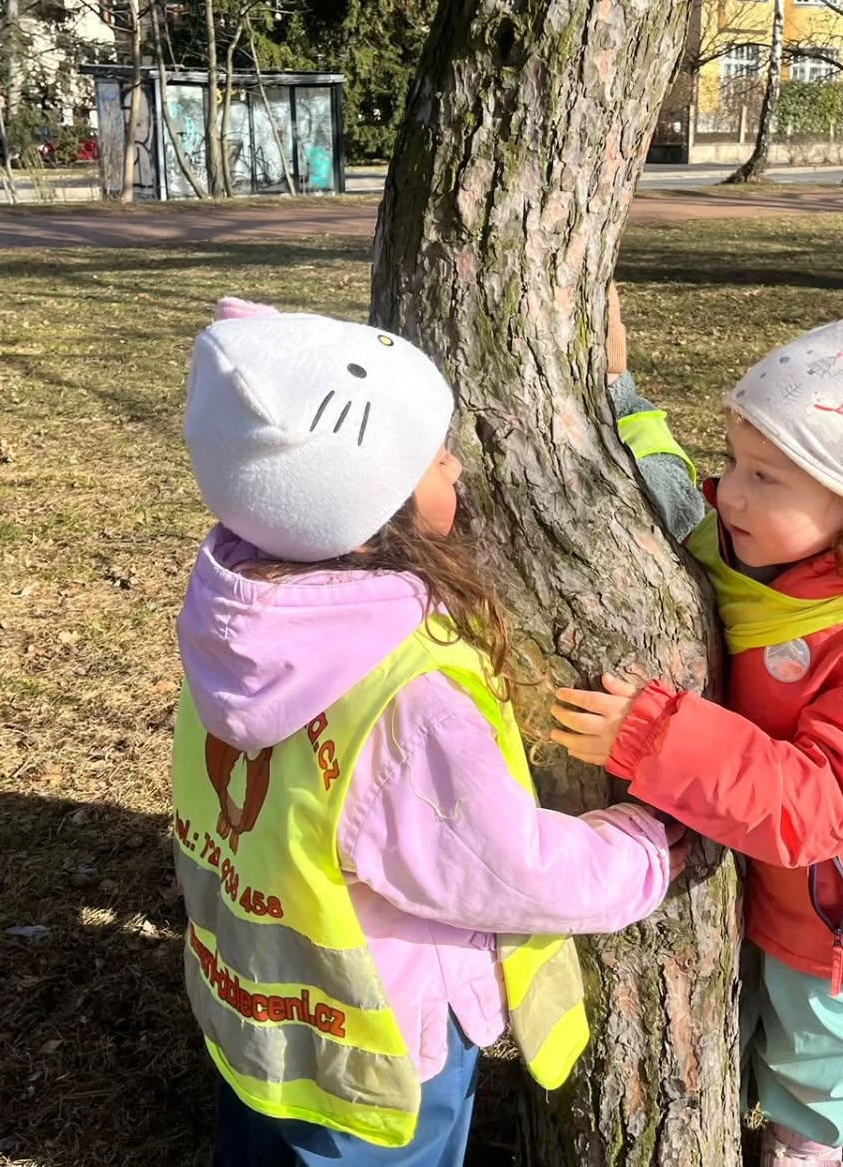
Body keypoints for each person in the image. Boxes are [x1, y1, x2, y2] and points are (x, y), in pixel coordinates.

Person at [171, 297, 684, 1167]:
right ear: (377, 513)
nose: (455, 462)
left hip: (256, 1011)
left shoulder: (236, 618)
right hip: (378, 1055)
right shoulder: (410, 694)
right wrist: (648, 848)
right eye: (431, 458)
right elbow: (500, 867)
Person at [553, 303, 843, 1166]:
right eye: (734, 460)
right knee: (744, 1016)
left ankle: (806, 1147)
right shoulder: (757, 552)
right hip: (746, 860)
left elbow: (829, 804)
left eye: (765, 478)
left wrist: (655, 740)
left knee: (821, 1053)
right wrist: (620, 394)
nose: (728, 490)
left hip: (836, 907)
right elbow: (669, 496)